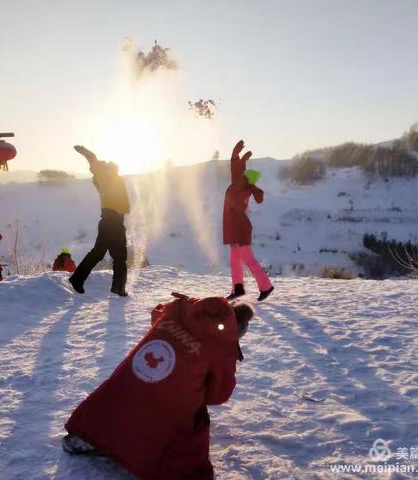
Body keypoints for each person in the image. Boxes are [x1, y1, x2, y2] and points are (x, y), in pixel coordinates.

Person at [62, 293, 254, 480]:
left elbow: (156, 313)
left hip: (130, 381)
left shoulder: (181, 309)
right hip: (166, 407)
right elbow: (218, 395)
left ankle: (88, 436)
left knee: (118, 394)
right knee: (187, 428)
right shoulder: (223, 346)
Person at [68, 145, 131, 296]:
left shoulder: (113, 180)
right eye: (111, 167)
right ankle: (116, 287)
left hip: (114, 222)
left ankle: (115, 286)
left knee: (110, 255)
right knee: (114, 256)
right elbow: (95, 163)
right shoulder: (106, 179)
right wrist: (88, 153)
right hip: (111, 221)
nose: (114, 167)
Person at [223, 140, 274, 301]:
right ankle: (238, 288)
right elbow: (237, 173)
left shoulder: (240, 188)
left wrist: (236, 157)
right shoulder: (242, 187)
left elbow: (236, 173)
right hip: (235, 228)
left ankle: (266, 286)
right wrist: (239, 159)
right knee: (235, 259)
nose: (240, 176)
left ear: (245, 180)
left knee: (247, 258)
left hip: (240, 229)